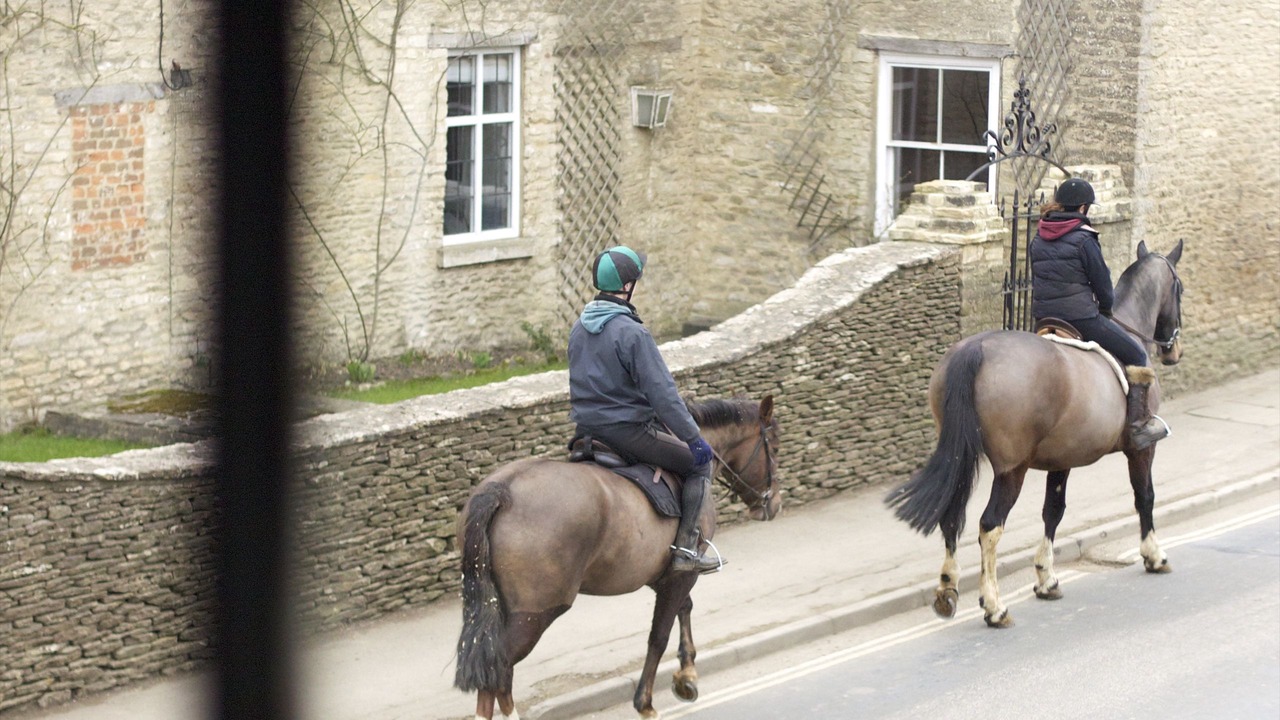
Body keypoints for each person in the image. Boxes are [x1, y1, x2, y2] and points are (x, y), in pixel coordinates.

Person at [567, 246, 723, 573]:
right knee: (698, 466)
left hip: (586, 431)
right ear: (627, 286)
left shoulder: (579, 328)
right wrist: (693, 438)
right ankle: (685, 551)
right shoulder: (633, 333)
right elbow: (663, 395)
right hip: (629, 432)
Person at [1029, 177, 1170, 451]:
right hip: (1081, 317)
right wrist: (1105, 309)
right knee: (1137, 354)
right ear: (1083, 208)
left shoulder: (1040, 235)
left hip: (1044, 318)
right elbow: (1103, 284)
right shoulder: (1084, 239)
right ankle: (1140, 424)